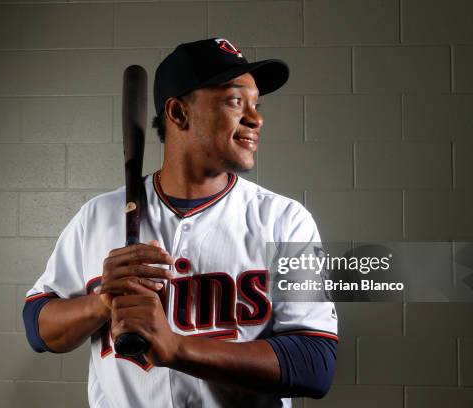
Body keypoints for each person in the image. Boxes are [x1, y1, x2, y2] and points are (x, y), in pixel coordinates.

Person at [23, 37, 338, 408]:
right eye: (236, 101)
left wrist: (178, 348)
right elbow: (38, 327)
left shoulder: (285, 221)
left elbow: (315, 363)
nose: (256, 119)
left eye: (256, 105)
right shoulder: (98, 214)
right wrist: (102, 303)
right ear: (178, 113)